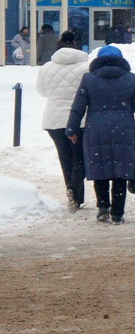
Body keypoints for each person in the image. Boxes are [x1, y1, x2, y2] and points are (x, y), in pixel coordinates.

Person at [66, 45, 135, 225]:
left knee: (100, 169)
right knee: (121, 170)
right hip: (123, 130)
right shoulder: (131, 79)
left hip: (96, 129)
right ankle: (117, 213)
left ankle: (103, 208)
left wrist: (71, 129)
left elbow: (78, 107)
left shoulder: (89, 79)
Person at [36, 31, 90, 212]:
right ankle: (75, 191)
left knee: (65, 157)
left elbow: (42, 91)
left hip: (53, 120)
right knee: (80, 158)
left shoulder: (46, 67)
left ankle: (72, 192)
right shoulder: (86, 66)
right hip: (79, 119)